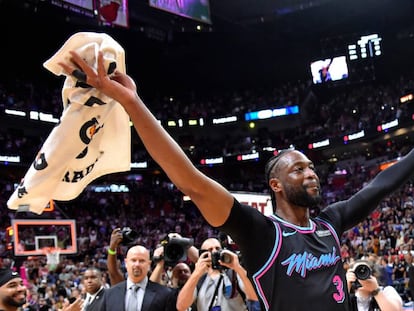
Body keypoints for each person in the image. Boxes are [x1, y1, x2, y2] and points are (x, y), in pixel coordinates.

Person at [59, 49, 414, 311]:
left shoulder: (330, 222)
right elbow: (192, 182)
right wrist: (133, 103)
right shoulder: (261, 232)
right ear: (275, 185)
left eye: (310, 167)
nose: (310, 173)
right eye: (298, 169)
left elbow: (381, 186)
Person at [176, 237, 259, 311]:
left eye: (217, 248)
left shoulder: (234, 273)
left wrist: (237, 267)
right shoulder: (198, 280)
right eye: (210, 250)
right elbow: (181, 306)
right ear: (203, 255)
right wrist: (196, 273)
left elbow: (255, 297)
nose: (215, 251)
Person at [100, 245, 177, 311]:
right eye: (133, 260)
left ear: (149, 264)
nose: (137, 264)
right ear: (126, 263)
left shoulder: (165, 294)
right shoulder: (109, 294)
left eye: (142, 261)